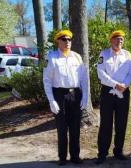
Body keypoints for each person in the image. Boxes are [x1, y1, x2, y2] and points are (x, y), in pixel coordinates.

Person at [43, 29, 88, 166]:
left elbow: (84, 79)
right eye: (64, 39)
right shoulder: (51, 57)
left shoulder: (77, 57)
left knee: (75, 128)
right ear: (58, 41)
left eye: (69, 39)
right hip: (59, 95)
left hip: (75, 94)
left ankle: (75, 156)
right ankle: (62, 157)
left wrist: (85, 95)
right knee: (62, 129)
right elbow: (47, 80)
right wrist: (51, 100)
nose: (67, 42)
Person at [96, 30, 131, 164]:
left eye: (121, 40)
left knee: (121, 122)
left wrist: (124, 84)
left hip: (124, 91)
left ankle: (118, 151)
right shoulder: (104, 54)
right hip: (108, 92)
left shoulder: (127, 54)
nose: (119, 41)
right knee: (106, 123)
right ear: (111, 40)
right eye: (117, 39)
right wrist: (115, 84)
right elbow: (101, 73)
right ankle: (102, 153)